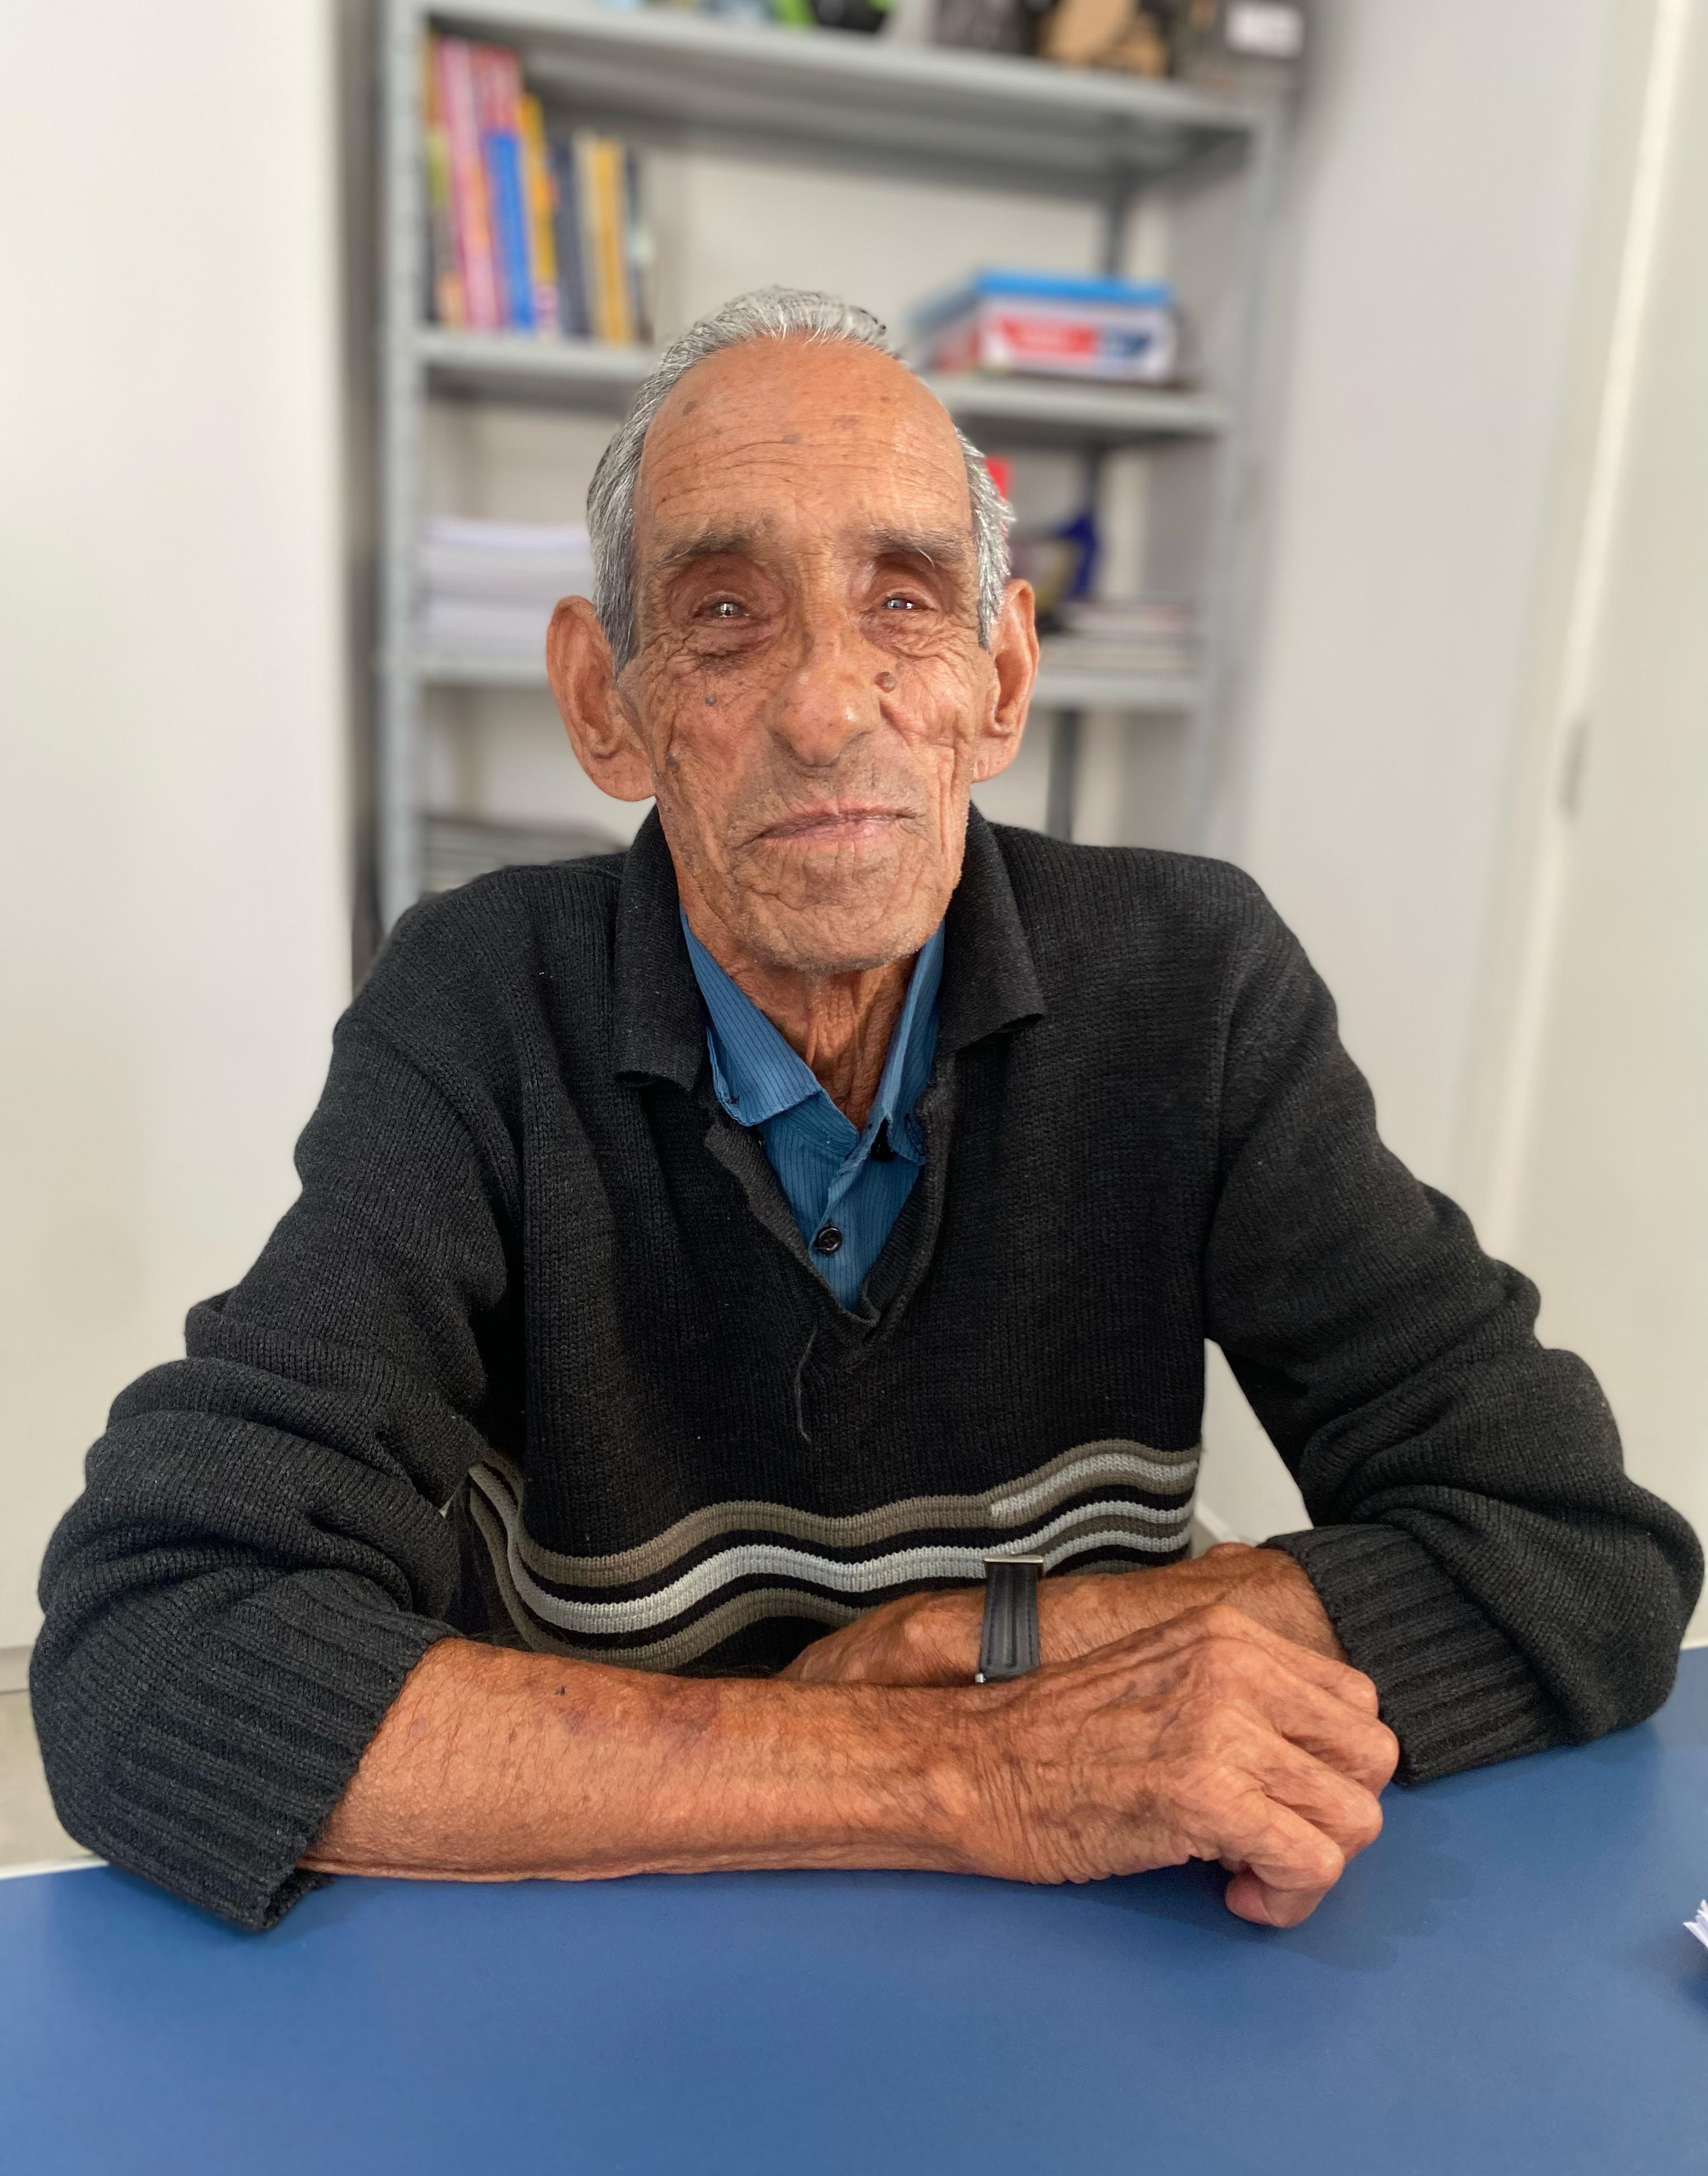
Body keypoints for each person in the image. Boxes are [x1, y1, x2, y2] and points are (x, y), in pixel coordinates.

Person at [32, 290, 1700, 1935]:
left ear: (1002, 677)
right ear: (606, 703)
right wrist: (962, 1769)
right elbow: (158, 1645)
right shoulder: (479, 1005)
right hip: (608, 1935)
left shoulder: (1193, 984)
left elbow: (1568, 1545)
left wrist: (982, 1640)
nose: (832, 705)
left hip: (1083, 1949)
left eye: (905, 601)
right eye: (725, 614)